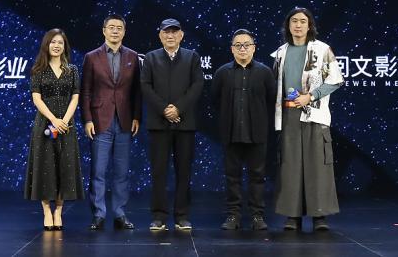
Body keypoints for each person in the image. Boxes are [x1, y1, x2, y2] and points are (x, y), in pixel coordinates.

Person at [272, 7, 344, 231]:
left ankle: (319, 216)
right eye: (294, 21)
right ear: (288, 25)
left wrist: (310, 96)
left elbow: (335, 80)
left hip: (314, 114)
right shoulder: (280, 52)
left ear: (310, 25)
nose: (298, 25)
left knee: (317, 166)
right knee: (290, 165)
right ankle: (292, 216)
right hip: (288, 115)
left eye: (303, 21)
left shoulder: (322, 49)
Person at [140, 18, 205, 231]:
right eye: (166, 32)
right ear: (160, 35)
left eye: (174, 32)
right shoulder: (150, 58)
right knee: (159, 171)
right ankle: (159, 216)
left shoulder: (192, 57)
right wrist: (164, 110)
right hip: (159, 124)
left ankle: (182, 216)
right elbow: (145, 86)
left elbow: (197, 85)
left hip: (185, 124)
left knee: (184, 171)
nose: (170, 35)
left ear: (181, 35)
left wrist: (178, 108)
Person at [80, 14, 142, 230]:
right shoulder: (91, 57)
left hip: (125, 120)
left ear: (124, 32)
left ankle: (119, 213)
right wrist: (87, 119)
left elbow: (137, 91)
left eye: (119, 28)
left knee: (122, 172)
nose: (115, 31)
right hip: (99, 120)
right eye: (111, 27)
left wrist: (137, 116)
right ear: (104, 30)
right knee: (98, 171)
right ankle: (99, 214)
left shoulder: (132, 56)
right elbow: (85, 91)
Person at [212, 29, 276, 231]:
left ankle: (257, 215)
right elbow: (214, 100)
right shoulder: (222, 72)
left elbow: (272, 100)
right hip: (230, 132)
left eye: (246, 45)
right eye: (238, 45)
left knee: (257, 176)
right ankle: (233, 215)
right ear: (232, 49)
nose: (242, 48)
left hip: (257, 133)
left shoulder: (265, 72)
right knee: (232, 177)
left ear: (254, 48)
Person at [23, 29, 85, 231]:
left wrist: (64, 121)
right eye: (53, 42)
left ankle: (58, 210)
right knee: (45, 167)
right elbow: (36, 98)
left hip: (66, 126)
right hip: (45, 125)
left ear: (65, 46)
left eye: (60, 42)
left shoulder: (72, 70)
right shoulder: (38, 69)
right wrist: (53, 119)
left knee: (63, 168)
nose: (56, 46)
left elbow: (75, 97)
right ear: (46, 45)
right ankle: (46, 211)